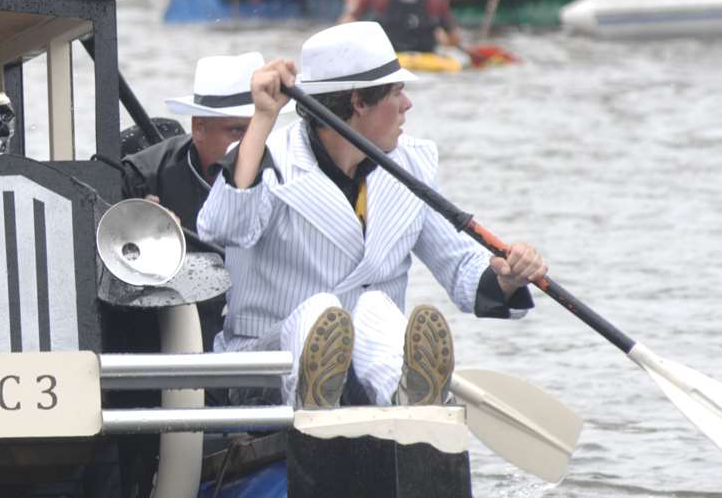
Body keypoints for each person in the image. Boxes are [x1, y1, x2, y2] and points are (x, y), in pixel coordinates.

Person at [196, 23, 546, 411]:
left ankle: (408, 400)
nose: (407, 104)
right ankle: (331, 400)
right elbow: (223, 228)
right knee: (323, 311)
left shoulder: (411, 164)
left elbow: (463, 268)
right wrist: (262, 117)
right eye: (397, 92)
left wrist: (507, 275)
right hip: (265, 372)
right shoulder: (269, 157)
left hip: (367, 373)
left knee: (375, 309)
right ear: (359, 101)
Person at [121, 51, 274, 345]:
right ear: (198, 128)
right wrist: (141, 237)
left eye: (257, 130)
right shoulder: (141, 178)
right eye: (236, 131)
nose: (249, 144)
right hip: (169, 341)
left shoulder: (285, 176)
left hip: (256, 334)